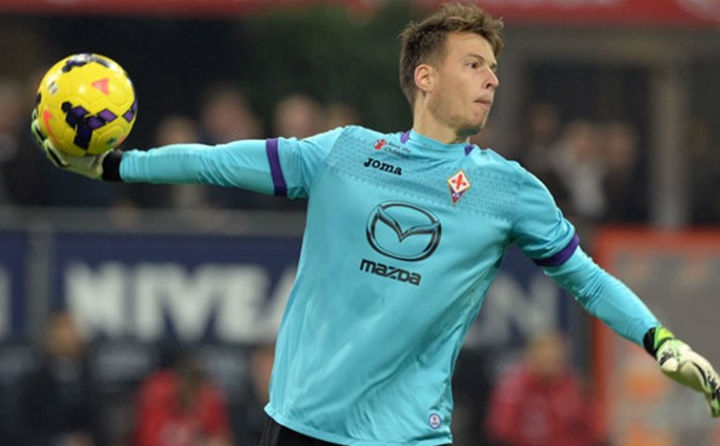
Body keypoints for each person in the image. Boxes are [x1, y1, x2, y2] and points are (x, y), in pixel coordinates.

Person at [31, 3, 720, 445]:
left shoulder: (509, 190)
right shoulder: (344, 154)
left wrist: (660, 340)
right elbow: (218, 163)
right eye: (474, 64)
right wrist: (117, 167)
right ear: (425, 77)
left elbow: (588, 280)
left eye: (494, 68)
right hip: (300, 424)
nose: (492, 79)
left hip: (409, 436)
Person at [485, 330, 605, 446]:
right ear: (532, 357)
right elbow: (500, 433)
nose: (550, 362)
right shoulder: (514, 389)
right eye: (546, 357)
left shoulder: (572, 387)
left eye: (555, 359)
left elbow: (593, 430)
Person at [19, 311, 102, 446]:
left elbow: (101, 427)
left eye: (71, 332)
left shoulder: (91, 380)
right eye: (60, 333)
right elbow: (24, 431)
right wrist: (61, 442)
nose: (66, 338)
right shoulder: (34, 383)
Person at [132, 349, 233, 446]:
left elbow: (222, 440)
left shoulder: (209, 399)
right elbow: (147, 441)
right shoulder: (156, 397)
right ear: (178, 380)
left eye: (197, 384)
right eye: (189, 382)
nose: (192, 390)